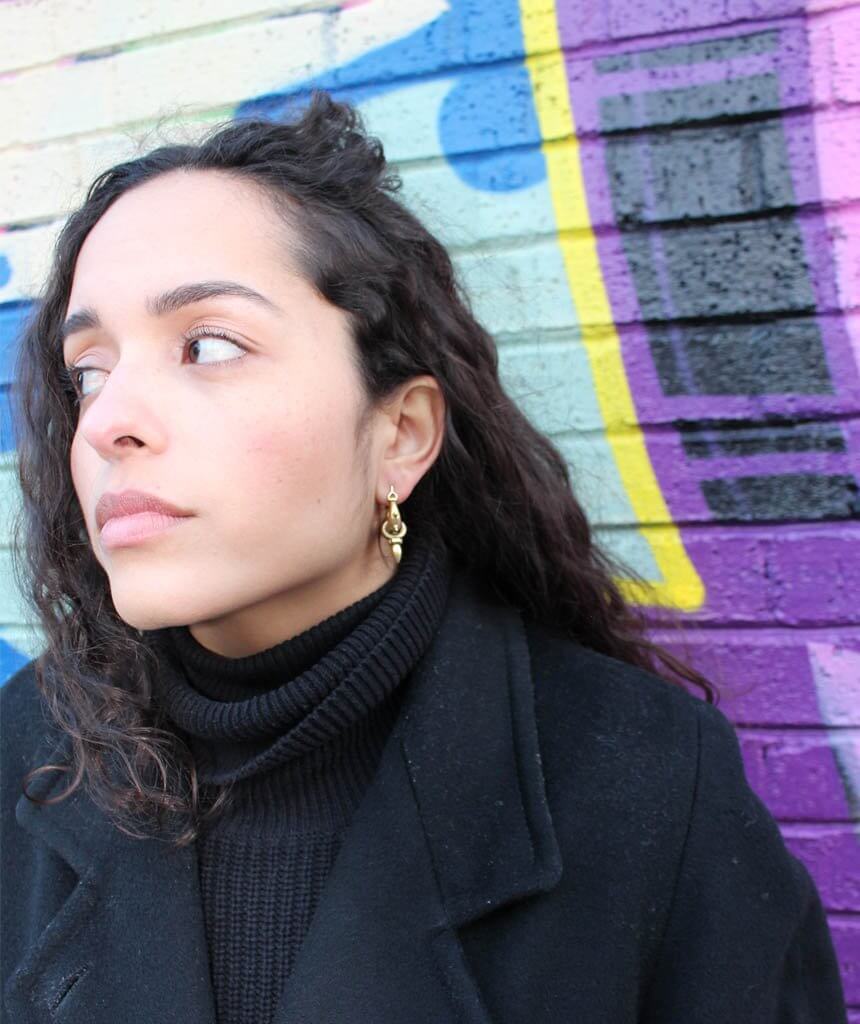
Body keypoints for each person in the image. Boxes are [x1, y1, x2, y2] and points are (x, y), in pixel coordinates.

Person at [0, 91, 847, 1024]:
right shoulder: (24, 750)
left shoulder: (643, 782)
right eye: (89, 372)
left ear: (401, 434)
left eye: (206, 345)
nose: (108, 422)